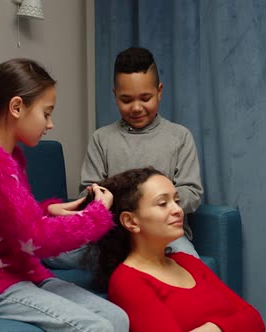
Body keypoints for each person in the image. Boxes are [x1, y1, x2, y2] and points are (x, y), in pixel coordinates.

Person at [0, 58, 129, 332]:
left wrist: (49, 210)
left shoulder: (8, 156)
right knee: (96, 328)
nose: (50, 124)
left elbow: (9, 219)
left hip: (18, 270)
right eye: (47, 113)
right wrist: (96, 215)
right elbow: (35, 239)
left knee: (117, 319)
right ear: (17, 107)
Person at [44, 47, 203, 270]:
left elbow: (191, 192)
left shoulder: (179, 137)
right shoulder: (102, 138)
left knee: (193, 270)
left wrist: (152, 210)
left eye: (145, 98)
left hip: (165, 235)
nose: (136, 108)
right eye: (126, 100)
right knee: (54, 256)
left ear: (159, 91)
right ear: (115, 95)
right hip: (112, 235)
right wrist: (112, 208)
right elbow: (88, 192)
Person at [90, 167, 265, 332]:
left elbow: (255, 320)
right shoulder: (128, 281)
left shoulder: (187, 261)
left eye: (177, 201)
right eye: (163, 203)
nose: (178, 210)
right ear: (131, 222)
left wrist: (212, 329)